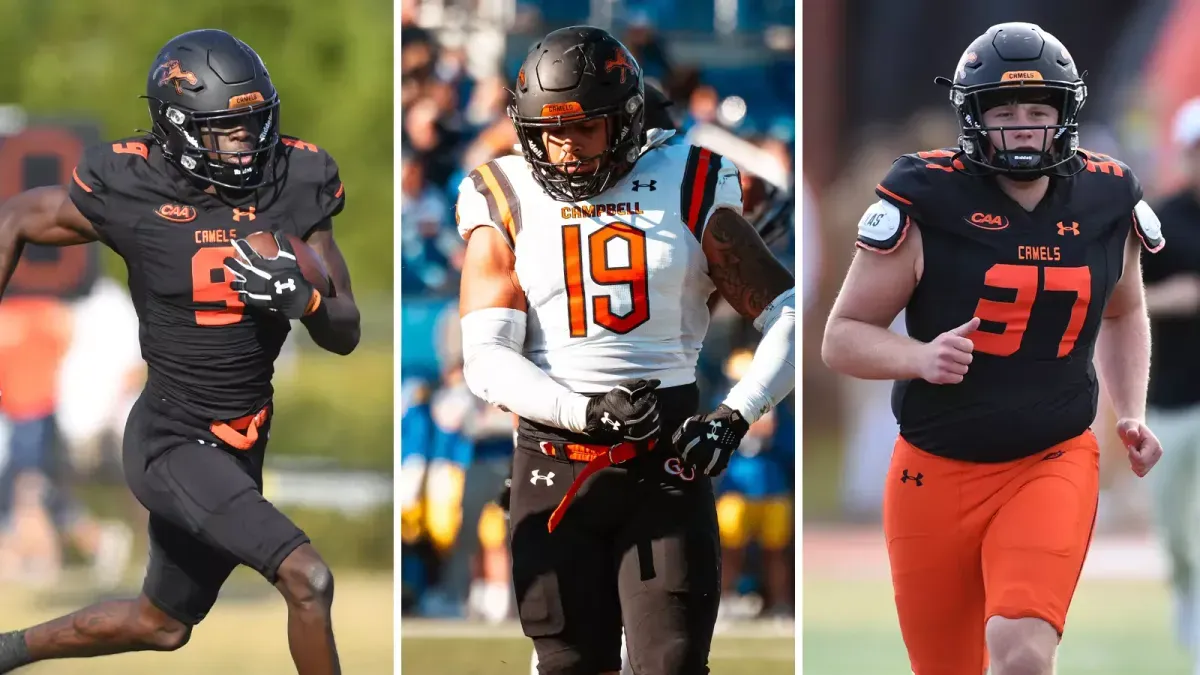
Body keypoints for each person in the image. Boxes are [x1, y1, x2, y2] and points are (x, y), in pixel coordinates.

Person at [0, 29, 359, 674]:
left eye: (254, 124)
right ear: (177, 128)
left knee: (160, 624)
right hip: (170, 439)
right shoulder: (132, 183)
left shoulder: (297, 179)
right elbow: (18, 218)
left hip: (243, 441)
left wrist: (302, 302)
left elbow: (345, 331)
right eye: (228, 129)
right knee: (308, 579)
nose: (248, 143)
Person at [821, 22, 1164, 675]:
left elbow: (1126, 310)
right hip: (935, 467)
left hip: (1052, 456)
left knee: (1022, 651)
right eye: (1005, 112)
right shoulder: (926, 194)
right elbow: (842, 337)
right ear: (973, 118)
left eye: (1039, 111)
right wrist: (918, 357)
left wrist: (1131, 408)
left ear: (1066, 115)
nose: (1024, 127)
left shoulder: (1107, 194)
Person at [456, 25, 795, 675]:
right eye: (551, 131)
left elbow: (788, 312)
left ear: (628, 121)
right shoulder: (503, 193)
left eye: (585, 128)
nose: (566, 148)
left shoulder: (688, 178)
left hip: (665, 466)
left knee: (670, 664)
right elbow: (486, 359)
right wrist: (582, 410)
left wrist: (737, 412)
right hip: (556, 462)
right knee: (568, 664)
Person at [1144, 96, 1200, 672]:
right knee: (1175, 533)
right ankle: (1186, 590)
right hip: (1173, 399)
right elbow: (1120, 300)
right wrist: (1173, 299)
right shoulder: (1159, 221)